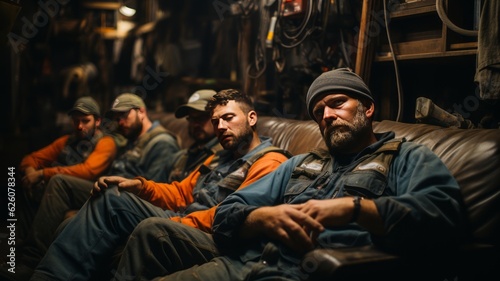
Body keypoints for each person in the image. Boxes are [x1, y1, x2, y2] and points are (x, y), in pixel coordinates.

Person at [108, 68, 466, 281]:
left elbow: (442, 217)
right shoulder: (301, 164)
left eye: (337, 103)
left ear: (368, 108)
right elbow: (228, 214)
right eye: (318, 111)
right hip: (242, 266)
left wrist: (356, 209)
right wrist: (261, 217)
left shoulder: (405, 156)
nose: (326, 115)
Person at [30, 89, 291, 281]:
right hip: (183, 218)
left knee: (150, 227)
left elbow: (231, 217)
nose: (220, 126)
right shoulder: (219, 156)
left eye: (229, 118)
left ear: (252, 118)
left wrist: (176, 223)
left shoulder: (269, 161)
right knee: (112, 195)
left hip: (214, 235)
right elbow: (181, 191)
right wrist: (138, 186)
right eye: (216, 121)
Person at [7, 93, 180, 279]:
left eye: (124, 115)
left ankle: (32, 262)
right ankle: (21, 256)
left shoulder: (161, 142)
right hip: (109, 191)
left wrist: (45, 173)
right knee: (42, 190)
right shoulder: (132, 140)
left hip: (122, 199)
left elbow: (152, 189)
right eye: (116, 118)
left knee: (59, 184)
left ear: (142, 112)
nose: (120, 122)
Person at [19, 96, 117, 204]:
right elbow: (32, 158)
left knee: (57, 181)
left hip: (91, 193)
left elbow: (87, 171)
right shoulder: (66, 141)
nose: (79, 126)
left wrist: (43, 173)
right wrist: (30, 173)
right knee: (24, 185)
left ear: (97, 121)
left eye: (85, 121)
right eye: (76, 121)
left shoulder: (106, 142)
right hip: (63, 191)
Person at [168, 89, 222, 182]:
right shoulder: (183, 157)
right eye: (191, 119)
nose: (195, 124)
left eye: (201, 118)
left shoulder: (223, 155)